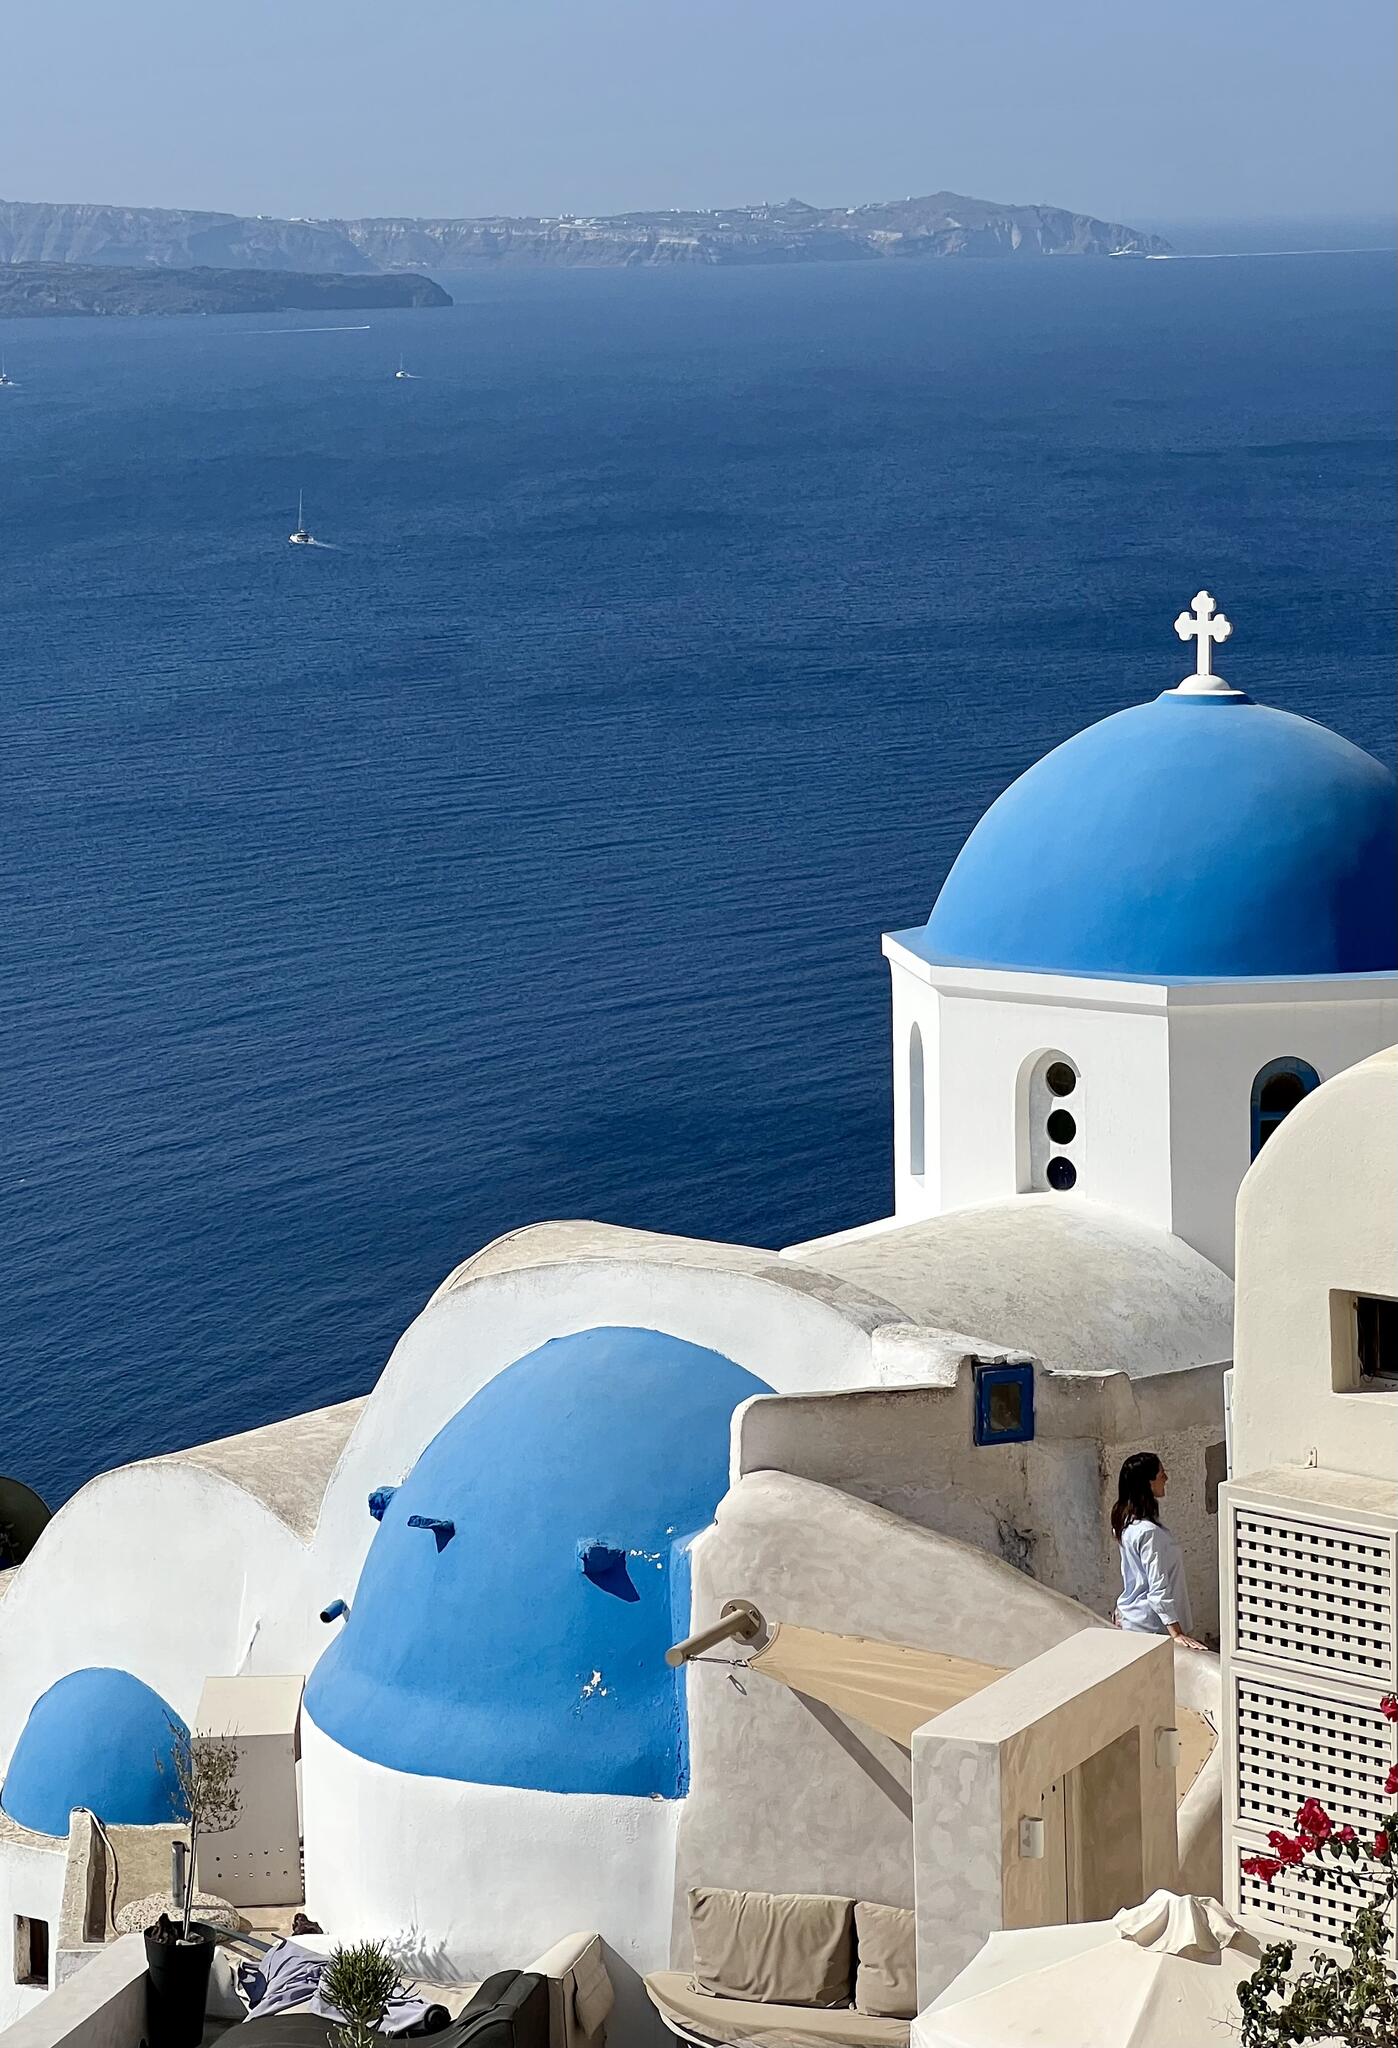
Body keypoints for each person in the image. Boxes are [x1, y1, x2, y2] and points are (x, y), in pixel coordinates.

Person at [1111, 1451, 1206, 1648]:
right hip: (1150, 1627)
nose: (1166, 1478)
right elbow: (1158, 1586)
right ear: (1148, 1482)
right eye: (1161, 1473)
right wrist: (1176, 1632)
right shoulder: (1148, 1532)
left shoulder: (1126, 1522)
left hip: (1132, 1618)